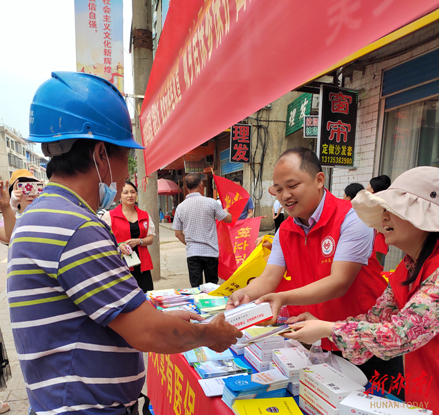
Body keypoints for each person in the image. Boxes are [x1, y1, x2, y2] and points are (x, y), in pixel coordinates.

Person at [7, 72, 241, 415]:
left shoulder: (39, 216)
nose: (125, 174)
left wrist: (157, 317)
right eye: (125, 158)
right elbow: (149, 334)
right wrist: (210, 335)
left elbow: (94, 313)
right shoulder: (75, 227)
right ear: (101, 154)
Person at [227, 147, 402, 387]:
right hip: (315, 339)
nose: (285, 195)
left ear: (319, 180)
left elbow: (339, 282)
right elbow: (268, 278)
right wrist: (244, 295)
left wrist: (282, 298)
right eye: (278, 189)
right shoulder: (285, 230)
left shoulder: (351, 218)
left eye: (292, 185)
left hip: (364, 337)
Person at [282, 166, 439, 411]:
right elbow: (377, 316)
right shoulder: (408, 267)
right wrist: (323, 328)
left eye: (393, 210)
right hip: (425, 382)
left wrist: (329, 328)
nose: (384, 218)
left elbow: (401, 333)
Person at [173, 173, 232, 287]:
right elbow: (228, 219)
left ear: (186, 187)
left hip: (192, 253)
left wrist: (190, 243)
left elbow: (178, 234)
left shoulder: (180, 207)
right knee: (212, 287)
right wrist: (226, 211)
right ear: (201, 185)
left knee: (195, 287)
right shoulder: (211, 203)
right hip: (210, 252)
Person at [102, 181, 155, 293]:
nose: (130, 195)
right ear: (119, 196)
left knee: (146, 296)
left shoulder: (144, 215)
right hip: (120, 264)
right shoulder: (109, 216)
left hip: (142, 265)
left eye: (133, 192)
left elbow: (150, 239)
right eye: (125, 192)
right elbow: (103, 240)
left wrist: (139, 241)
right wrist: (119, 245)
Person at [368, 175, 392, 260]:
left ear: (373, 189)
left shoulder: (378, 204)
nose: (367, 188)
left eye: (369, 186)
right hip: (379, 240)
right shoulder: (384, 203)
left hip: (377, 241)